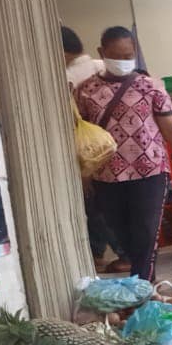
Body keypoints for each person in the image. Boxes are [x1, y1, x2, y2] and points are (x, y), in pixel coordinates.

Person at [74, 26, 172, 281]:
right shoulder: (86, 90)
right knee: (121, 233)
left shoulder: (151, 87)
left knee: (146, 233)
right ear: (102, 52)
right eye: (116, 56)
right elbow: (82, 136)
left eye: (128, 56)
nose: (123, 61)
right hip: (106, 176)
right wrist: (84, 175)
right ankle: (142, 283)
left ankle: (143, 287)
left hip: (150, 172)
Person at [63, 26, 123, 272]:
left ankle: (105, 253)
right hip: (118, 148)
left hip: (89, 151)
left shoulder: (67, 78)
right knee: (114, 205)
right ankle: (116, 252)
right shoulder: (101, 66)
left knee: (96, 206)